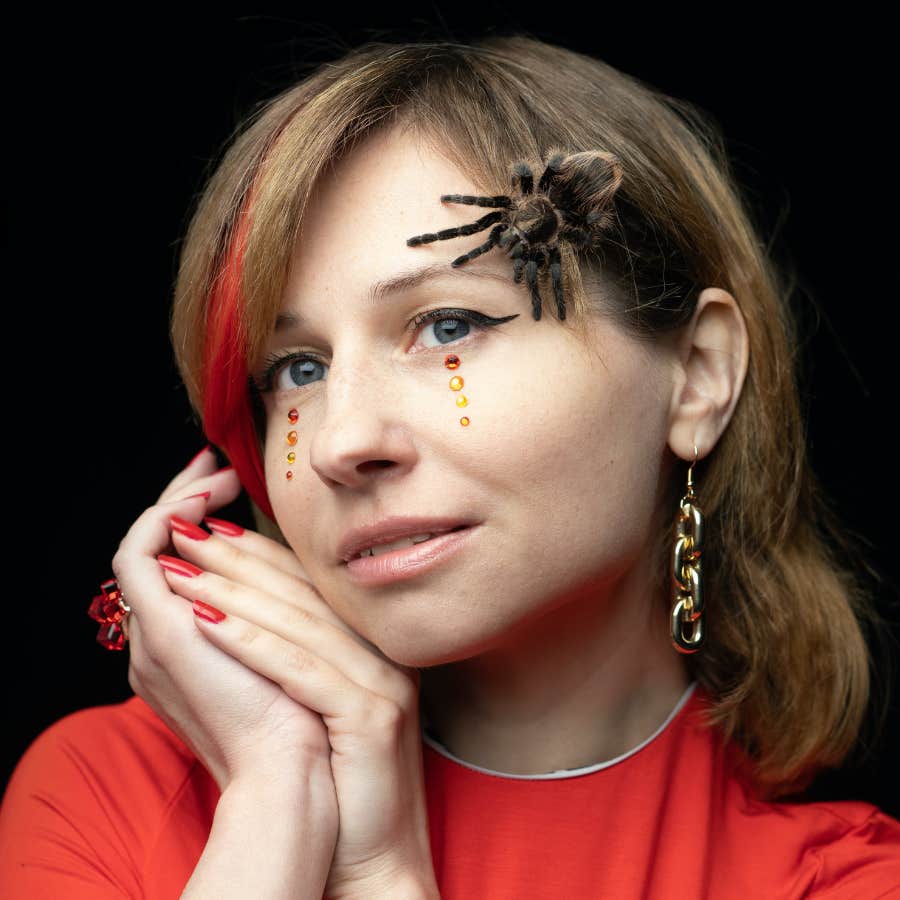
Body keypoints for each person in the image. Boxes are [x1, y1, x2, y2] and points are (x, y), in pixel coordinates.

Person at [2, 33, 899, 899]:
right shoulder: (107, 795)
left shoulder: (843, 880)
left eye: (448, 326)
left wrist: (380, 877)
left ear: (697, 378)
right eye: (298, 370)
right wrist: (278, 796)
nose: (341, 442)